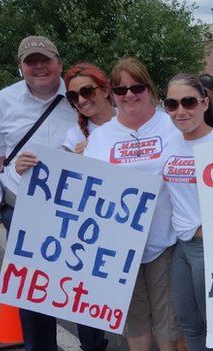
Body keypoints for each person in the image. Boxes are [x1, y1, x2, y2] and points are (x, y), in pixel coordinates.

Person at [0, 35, 111, 351]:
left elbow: (107, 133)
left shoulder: (78, 96)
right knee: (34, 290)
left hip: (79, 207)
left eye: (45, 59)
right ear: (21, 68)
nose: (38, 67)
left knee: (83, 281)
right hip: (24, 207)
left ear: (59, 63)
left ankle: (94, 345)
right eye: (31, 62)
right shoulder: (3, 102)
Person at [83, 57, 182, 351]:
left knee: (169, 321)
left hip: (165, 241)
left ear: (149, 89)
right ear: (111, 94)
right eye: (120, 89)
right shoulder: (100, 137)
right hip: (118, 249)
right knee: (135, 319)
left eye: (136, 86)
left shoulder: (172, 125)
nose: (129, 94)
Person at [162, 73, 213, 350]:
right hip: (182, 246)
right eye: (172, 104)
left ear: (204, 103)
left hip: (212, 245)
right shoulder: (169, 143)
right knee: (189, 323)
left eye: (188, 102)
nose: (180, 111)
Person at [61, 63, 117, 154]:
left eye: (87, 92)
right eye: (73, 96)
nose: (81, 100)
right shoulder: (74, 137)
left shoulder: (134, 119)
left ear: (105, 90)